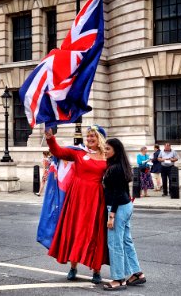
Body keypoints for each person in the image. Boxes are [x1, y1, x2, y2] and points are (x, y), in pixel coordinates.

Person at [44, 125, 108, 284]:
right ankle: (73, 267)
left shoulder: (107, 156)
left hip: (96, 199)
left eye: (93, 136)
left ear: (100, 138)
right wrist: (50, 138)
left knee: (95, 233)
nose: (90, 139)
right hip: (77, 197)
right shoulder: (78, 152)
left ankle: (96, 270)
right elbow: (58, 152)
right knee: (75, 230)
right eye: (88, 136)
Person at [103, 138, 146, 291]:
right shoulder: (120, 166)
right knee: (126, 241)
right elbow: (123, 191)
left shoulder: (115, 168)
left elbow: (116, 193)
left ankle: (118, 279)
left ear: (116, 150)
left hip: (118, 207)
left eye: (108, 149)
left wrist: (112, 215)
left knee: (115, 244)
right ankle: (137, 273)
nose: (105, 151)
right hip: (126, 205)